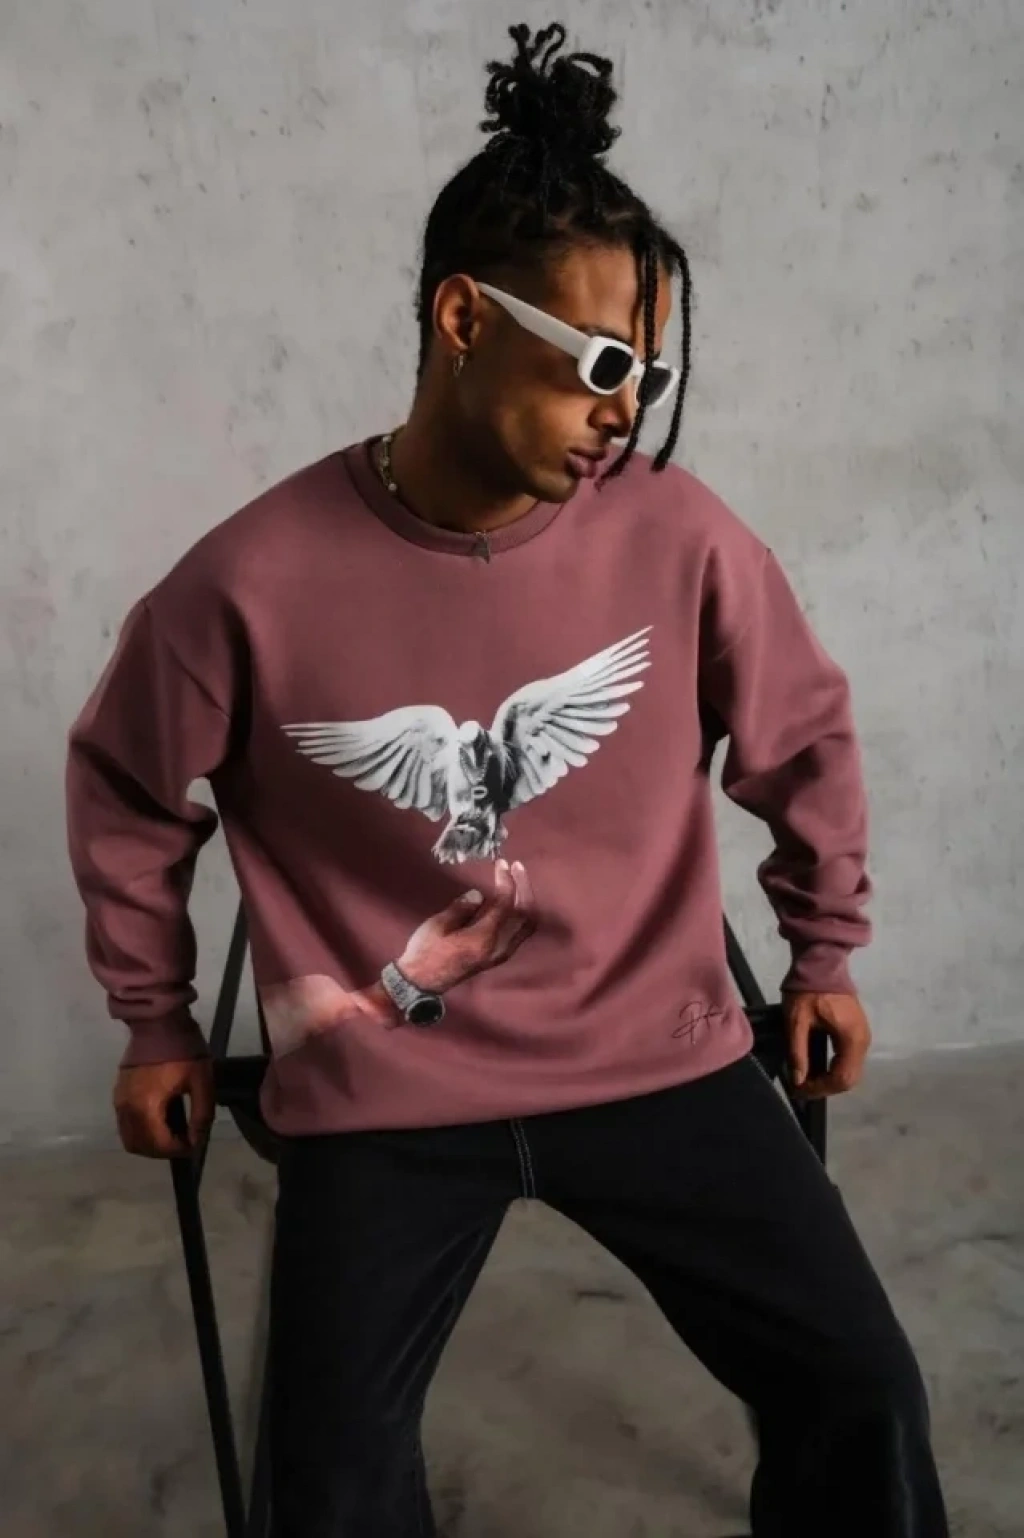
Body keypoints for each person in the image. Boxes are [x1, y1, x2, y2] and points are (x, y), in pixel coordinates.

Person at [65, 22, 947, 1537]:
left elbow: (800, 736)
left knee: (863, 1391)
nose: (627, 407)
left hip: (657, 1047)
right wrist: (155, 1022)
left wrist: (826, 952)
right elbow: (132, 792)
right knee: (326, 1484)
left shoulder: (681, 537)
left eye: (649, 372)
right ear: (465, 318)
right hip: (387, 1086)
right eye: (602, 362)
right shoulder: (249, 581)